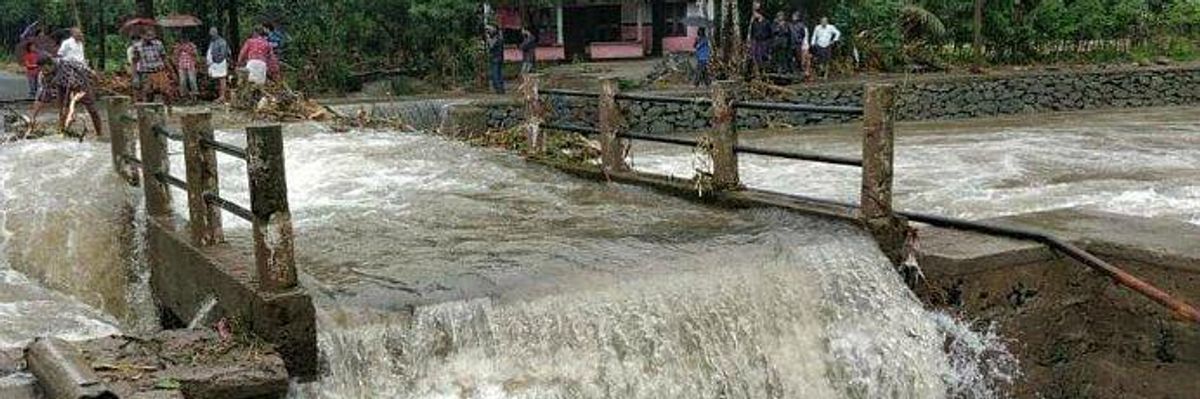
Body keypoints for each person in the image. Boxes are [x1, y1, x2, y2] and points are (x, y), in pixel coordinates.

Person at [133, 30, 174, 105]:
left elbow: (164, 58)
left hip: (159, 71)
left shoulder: (158, 44)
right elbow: (135, 61)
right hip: (146, 72)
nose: (149, 37)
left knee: (166, 92)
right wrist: (135, 75)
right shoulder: (137, 46)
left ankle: (168, 110)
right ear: (142, 35)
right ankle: (150, 111)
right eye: (147, 35)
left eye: (151, 35)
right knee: (148, 92)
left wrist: (172, 71)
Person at [206, 27, 231, 103]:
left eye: (212, 33)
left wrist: (217, 60)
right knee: (217, 79)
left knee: (222, 79)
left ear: (215, 33)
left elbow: (223, 53)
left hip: (220, 63)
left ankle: (222, 96)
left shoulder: (222, 41)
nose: (211, 35)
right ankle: (220, 96)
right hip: (214, 63)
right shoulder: (212, 41)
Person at [173, 37, 199, 101]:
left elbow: (195, 54)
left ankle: (194, 95)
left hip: (190, 65)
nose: (183, 40)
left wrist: (188, 50)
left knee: (192, 80)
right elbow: (175, 55)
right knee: (182, 81)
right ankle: (184, 96)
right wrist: (179, 50)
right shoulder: (177, 46)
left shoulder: (192, 45)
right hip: (181, 66)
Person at [748, 9, 772, 75]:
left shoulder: (766, 22)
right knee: (756, 55)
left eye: (755, 14)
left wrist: (768, 41)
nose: (755, 15)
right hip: (756, 41)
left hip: (764, 41)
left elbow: (770, 32)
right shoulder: (754, 23)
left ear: (760, 14)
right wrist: (751, 41)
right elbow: (752, 32)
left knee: (764, 55)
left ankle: (765, 69)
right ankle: (759, 70)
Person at [790, 11, 811, 81]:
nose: (793, 17)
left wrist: (799, 40)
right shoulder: (790, 25)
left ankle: (801, 71)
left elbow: (803, 34)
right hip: (791, 43)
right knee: (792, 58)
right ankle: (794, 71)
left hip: (798, 44)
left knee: (799, 58)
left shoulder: (801, 25)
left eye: (795, 16)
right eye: (793, 16)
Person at [485, 25, 505, 94]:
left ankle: (498, 89)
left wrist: (488, 39)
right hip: (500, 58)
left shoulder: (496, 38)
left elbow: (491, 46)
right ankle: (501, 89)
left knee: (495, 74)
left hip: (495, 58)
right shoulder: (500, 37)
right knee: (499, 74)